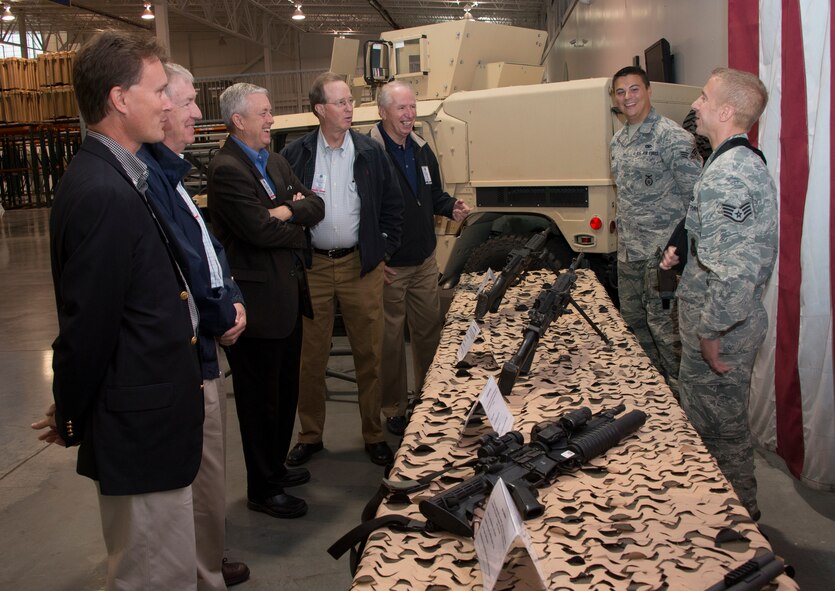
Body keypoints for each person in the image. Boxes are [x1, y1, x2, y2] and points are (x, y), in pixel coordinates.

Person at [32, 31, 204, 589]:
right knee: (152, 571)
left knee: (167, 563)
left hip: (154, 417)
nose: (168, 102)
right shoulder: (102, 191)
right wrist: (71, 410)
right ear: (119, 99)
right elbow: (89, 327)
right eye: (158, 90)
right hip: (138, 425)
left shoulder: (123, 174)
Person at [137, 64, 249, 588]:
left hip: (205, 345)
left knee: (211, 476)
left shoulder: (175, 174)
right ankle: (204, 569)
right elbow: (183, 267)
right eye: (182, 101)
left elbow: (211, 252)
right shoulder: (151, 181)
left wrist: (233, 298)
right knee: (198, 479)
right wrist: (224, 313)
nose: (195, 113)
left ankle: (209, 557)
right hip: (191, 352)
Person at [661, 67, 777, 520]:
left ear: (726, 111)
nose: (695, 104)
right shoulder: (733, 160)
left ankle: (738, 530)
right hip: (723, 323)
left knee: (719, 438)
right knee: (715, 430)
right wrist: (681, 252)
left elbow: (735, 274)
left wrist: (710, 332)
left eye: (705, 98)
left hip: (723, 331)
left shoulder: (729, 174)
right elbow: (721, 244)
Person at [208, 83, 324, 519]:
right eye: (265, 112)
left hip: (289, 297)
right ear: (239, 120)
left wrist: (286, 210)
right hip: (256, 307)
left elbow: (316, 205)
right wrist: (290, 214)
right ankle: (262, 488)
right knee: (260, 403)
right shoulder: (227, 169)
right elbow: (257, 231)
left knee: (285, 392)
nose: (271, 119)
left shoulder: (275, 160)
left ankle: (274, 469)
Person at [281, 72, 404, 466]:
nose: (350, 107)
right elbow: (280, 208)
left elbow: (392, 207)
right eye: (341, 102)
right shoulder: (296, 155)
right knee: (310, 357)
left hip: (359, 266)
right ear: (320, 109)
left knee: (369, 352)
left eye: (351, 101)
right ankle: (311, 436)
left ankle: (373, 434)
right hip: (313, 267)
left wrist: (380, 251)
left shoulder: (369, 152)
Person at [371, 81, 470, 435]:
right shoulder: (370, 153)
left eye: (412, 107)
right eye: (401, 108)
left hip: (425, 259)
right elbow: (363, 210)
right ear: (383, 112)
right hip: (390, 267)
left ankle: (429, 396)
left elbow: (433, 195)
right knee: (391, 341)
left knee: (429, 332)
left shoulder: (422, 149)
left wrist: (452, 207)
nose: (409, 114)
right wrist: (374, 256)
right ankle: (394, 407)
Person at [609, 66, 702, 395]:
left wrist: (680, 250)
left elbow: (696, 198)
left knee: (667, 333)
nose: (627, 97)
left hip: (662, 257)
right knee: (634, 328)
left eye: (634, 89)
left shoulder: (673, 137)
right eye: (621, 92)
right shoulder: (618, 141)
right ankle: (652, 396)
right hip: (629, 254)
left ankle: (683, 404)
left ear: (648, 91)